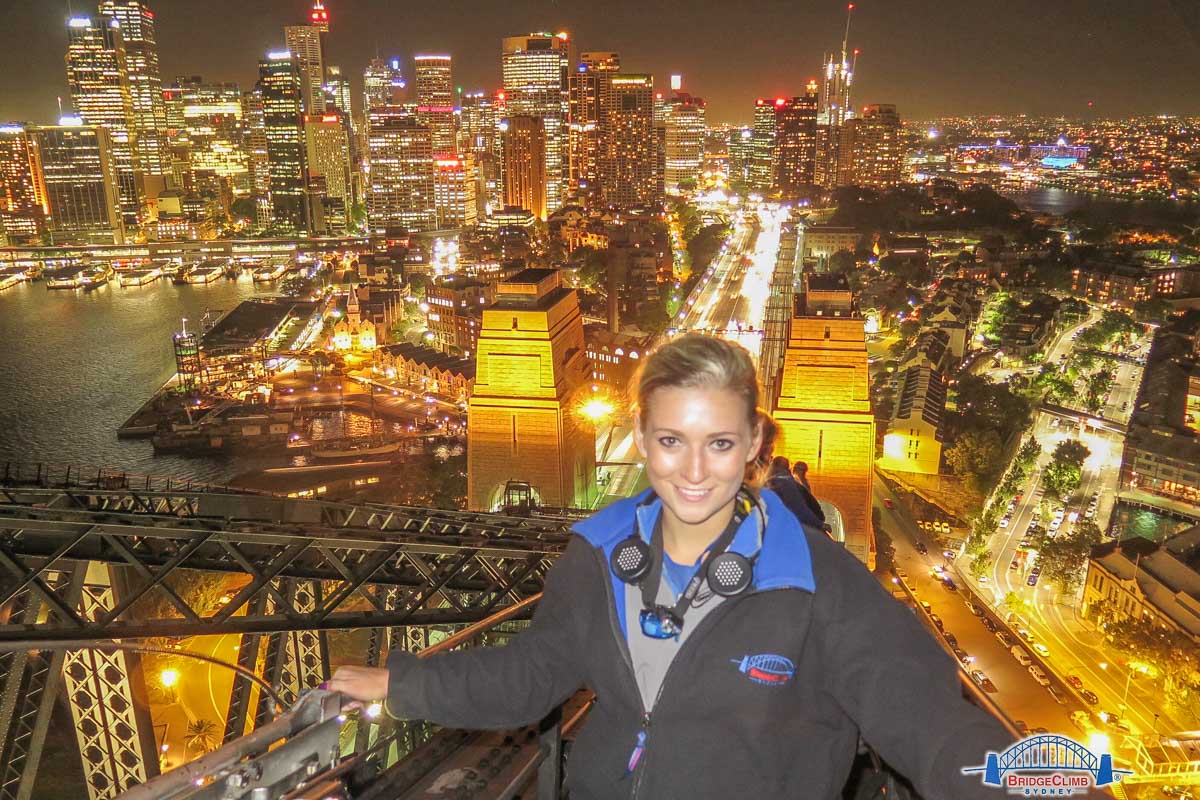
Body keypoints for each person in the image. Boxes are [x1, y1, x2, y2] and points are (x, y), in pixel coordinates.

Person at [330, 333, 1017, 799]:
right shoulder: (598, 555)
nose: (693, 471)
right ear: (641, 440)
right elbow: (532, 673)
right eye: (670, 440)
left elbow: (925, 717)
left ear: (753, 444)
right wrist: (397, 684)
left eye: (719, 443)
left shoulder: (818, 581)